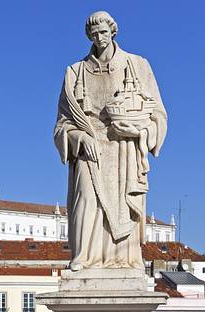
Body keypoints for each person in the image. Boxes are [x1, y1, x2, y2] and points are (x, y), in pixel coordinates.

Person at [54, 11, 167, 271]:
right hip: (88, 146)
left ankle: (124, 258)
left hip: (124, 147)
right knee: (86, 199)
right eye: (93, 34)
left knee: (122, 205)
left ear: (113, 32)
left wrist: (141, 132)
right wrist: (79, 137)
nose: (99, 37)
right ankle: (84, 255)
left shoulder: (137, 65)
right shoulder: (74, 72)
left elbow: (158, 114)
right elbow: (62, 123)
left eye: (103, 32)